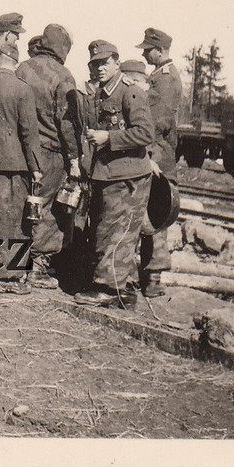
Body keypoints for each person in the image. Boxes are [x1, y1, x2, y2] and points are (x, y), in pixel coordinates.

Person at [74, 40, 154, 309]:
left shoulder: (129, 92)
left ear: (117, 63)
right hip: (108, 174)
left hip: (127, 176)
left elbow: (145, 133)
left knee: (114, 233)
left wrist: (109, 137)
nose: (99, 69)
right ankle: (124, 289)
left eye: (104, 63)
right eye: (94, 64)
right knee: (108, 230)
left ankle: (107, 288)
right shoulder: (101, 93)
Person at [14, 23, 78, 289]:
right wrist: (74, 158)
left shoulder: (23, 68)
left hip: (19, 150)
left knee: (21, 207)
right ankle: (38, 269)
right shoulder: (64, 76)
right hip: (50, 154)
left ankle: (14, 264)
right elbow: (68, 123)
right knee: (50, 211)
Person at [0, 43, 42, 295]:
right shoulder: (22, 89)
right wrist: (36, 167)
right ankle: (7, 277)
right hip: (14, 164)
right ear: (15, 62)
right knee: (15, 222)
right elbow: (29, 133)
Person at [136, 27, 183, 297]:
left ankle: (153, 278)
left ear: (161, 50)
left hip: (157, 154)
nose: (144, 53)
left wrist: (146, 151)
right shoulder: (158, 76)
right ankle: (148, 275)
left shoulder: (165, 79)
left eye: (147, 49)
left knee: (155, 215)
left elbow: (158, 121)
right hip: (154, 151)